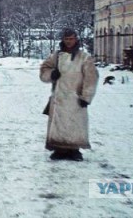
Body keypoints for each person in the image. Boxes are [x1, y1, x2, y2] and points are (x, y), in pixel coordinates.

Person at [39, 28, 98, 161]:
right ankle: (59, 149)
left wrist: (86, 97)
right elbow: (44, 69)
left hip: (75, 98)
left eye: (71, 39)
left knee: (74, 124)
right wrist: (51, 74)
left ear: (76, 39)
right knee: (59, 124)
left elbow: (91, 78)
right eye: (66, 39)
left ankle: (74, 150)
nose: (69, 42)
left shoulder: (84, 58)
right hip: (59, 98)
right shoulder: (56, 56)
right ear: (63, 40)